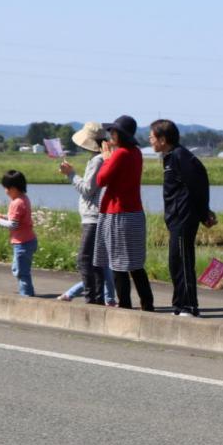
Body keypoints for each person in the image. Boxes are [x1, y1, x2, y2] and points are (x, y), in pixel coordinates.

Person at [150, 118, 215, 317]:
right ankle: (179, 305)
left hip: (184, 217)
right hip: (175, 218)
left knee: (183, 262)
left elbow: (198, 183)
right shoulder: (170, 157)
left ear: (163, 139)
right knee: (175, 263)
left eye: (152, 137)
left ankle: (189, 306)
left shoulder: (181, 156)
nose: (150, 141)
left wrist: (204, 213)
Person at [93, 115, 154, 311]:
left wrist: (106, 159)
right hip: (135, 213)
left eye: (113, 131)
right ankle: (147, 304)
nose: (110, 135)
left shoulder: (120, 155)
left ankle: (125, 306)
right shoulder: (136, 152)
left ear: (120, 134)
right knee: (135, 264)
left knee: (118, 264)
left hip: (118, 214)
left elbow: (101, 179)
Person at [59, 122, 110, 304]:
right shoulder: (101, 158)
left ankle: (92, 299)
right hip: (97, 216)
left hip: (93, 217)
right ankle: (97, 298)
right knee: (95, 261)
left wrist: (71, 174)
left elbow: (87, 189)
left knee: (85, 259)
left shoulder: (97, 160)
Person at [0, 170, 37, 297]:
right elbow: (16, 219)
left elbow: (14, 224)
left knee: (21, 272)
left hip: (22, 243)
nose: (5, 191)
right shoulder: (24, 199)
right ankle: (27, 294)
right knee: (20, 270)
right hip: (28, 240)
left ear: (13, 188)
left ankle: (26, 296)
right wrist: (4, 216)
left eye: (6, 188)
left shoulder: (16, 203)